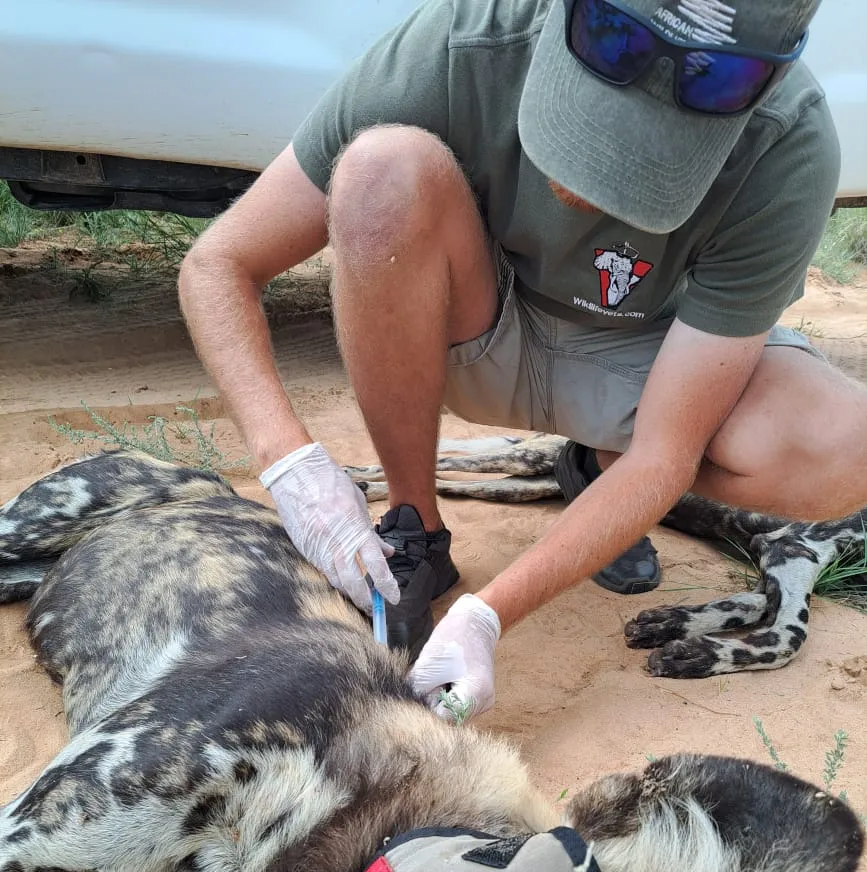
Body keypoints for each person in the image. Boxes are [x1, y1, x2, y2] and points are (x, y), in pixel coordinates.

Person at [179, 0, 866, 722]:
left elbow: (665, 453)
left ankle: (599, 473)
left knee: (845, 445)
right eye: (588, 127)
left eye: (647, 158)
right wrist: (289, 464)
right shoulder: (468, 40)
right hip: (483, 323)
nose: (595, 184)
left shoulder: (784, 142)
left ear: (757, 84)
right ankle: (415, 529)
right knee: (382, 169)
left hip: (646, 361)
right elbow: (218, 264)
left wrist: (488, 614)